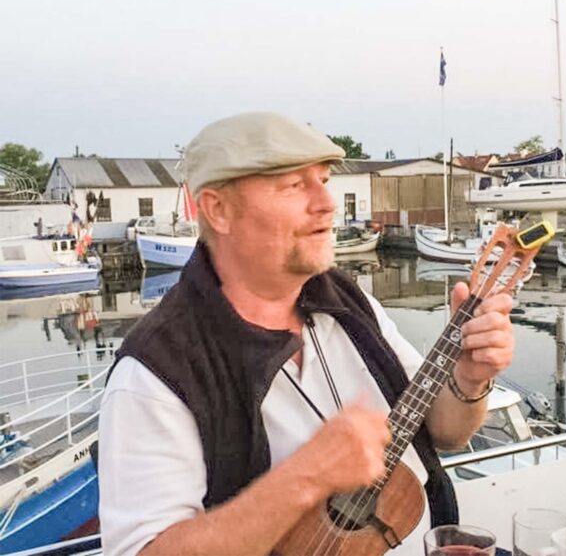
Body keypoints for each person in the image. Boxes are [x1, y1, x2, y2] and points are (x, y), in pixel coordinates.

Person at [98, 112, 515, 556]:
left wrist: (470, 380)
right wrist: (306, 475)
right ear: (218, 209)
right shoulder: (158, 370)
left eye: (323, 179)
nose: (327, 203)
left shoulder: (348, 301)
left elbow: (448, 434)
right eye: (294, 186)